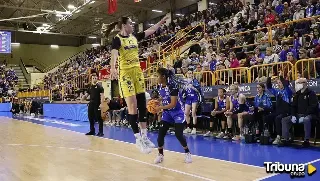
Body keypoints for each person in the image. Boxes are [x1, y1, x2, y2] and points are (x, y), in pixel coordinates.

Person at [108, 16, 169, 153]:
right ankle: (137, 139)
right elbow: (114, 53)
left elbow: (151, 30)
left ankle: (145, 136)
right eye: (130, 23)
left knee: (143, 104)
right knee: (133, 106)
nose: (133, 25)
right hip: (126, 74)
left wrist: (160, 22)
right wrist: (112, 67)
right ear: (124, 25)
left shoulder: (134, 37)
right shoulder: (117, 39)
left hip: (138, 73)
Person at [154, 68, 192, 164]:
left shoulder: (173, 87)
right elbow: (164, 97)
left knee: (178, 134)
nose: (156, 78)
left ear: (163, 76)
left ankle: (187, 152)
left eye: (157, 76)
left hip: (178, 112)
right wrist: (158, 101)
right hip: (167, 113)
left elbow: (173, 104)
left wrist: (160, 108)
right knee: (160, 135)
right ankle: (160, 154)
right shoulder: (160, 87)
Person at [280, 78, 318, 147]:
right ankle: (286, 139)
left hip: (309, 115)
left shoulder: (311, 93)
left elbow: (312, 107)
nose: (297, 85)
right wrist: (293, 115)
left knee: (306, 119)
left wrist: (305, 115)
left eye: (299, 83)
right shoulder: (297, 94)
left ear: (304, 83)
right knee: (284, 120)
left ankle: (306, 140)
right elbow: (293, 106)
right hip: (298, 115)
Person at [264, 71, 292, 144]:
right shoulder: (277, 92)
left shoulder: (287, 91)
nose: (278, 84)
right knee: (267, 117)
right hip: (278, 111)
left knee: (278, 118)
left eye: (280, 83)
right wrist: (269, 77)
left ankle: (279, 136)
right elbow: (269, 87)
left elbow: (286, 85)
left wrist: (281, 77)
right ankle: (270, 135)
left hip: (286, 112)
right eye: (278, 83)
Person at [82, 73, 105, 137]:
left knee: (98, 118)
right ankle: (92, 130)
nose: (94, 79)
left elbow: (102, 96)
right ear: (91, 79)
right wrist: (83, 97)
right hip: (91, 104)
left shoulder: (100, 87)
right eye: (93, 78)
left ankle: (101, 132)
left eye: (95, 78)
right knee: (90, 117)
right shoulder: (89, 87)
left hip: (97, 104)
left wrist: (101, 104)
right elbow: (86, 96)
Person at [183, 70, 202, 135]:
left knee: (193, 112)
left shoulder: (195, 81)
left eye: (190, 73)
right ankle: (188, 127)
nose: (189, 74)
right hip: (188, 98)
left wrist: (193, 87)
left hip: (194, 97)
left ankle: (194, 128)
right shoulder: (185, 81)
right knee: (186, 113)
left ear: (192, 74)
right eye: (188, 73)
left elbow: (198, 90)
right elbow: (183, 91)